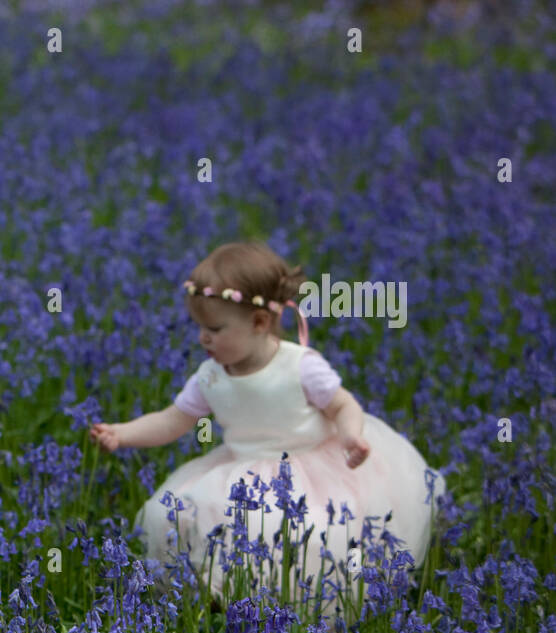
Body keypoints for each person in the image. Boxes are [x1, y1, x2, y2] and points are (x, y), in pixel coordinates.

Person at [89, 240, 444, 612]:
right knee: (179, 513)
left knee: (307, 532)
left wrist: (351, 434)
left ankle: (294, 605)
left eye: (214, 328)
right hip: (243, 467)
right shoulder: (210, 377)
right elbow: (172, 420)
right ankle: (220, 600)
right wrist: (122, 433)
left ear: (259, 323)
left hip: (313, 465)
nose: (202, 338)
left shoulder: (299, 365)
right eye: (199, 327)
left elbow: (342, 404)